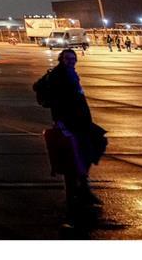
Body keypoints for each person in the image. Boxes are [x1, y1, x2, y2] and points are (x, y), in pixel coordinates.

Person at [37, 48, 106, 211]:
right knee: (74, 157)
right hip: (68, 123)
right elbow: (56, 101)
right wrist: (59, 121)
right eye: (68, 58)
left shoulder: (69, 73)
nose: (72, 60)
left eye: (73, 58)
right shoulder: (58, 76)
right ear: (61, 59)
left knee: (90, 147)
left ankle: (81, 189)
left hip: (79, 122)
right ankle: (77, 194)